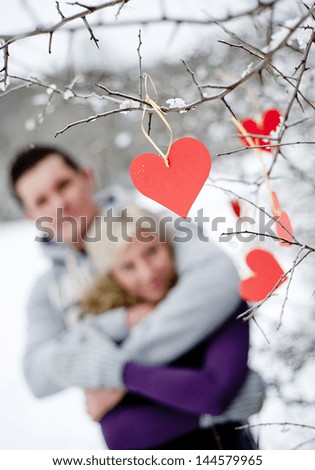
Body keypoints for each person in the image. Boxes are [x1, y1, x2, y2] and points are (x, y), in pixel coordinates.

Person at [9, 145, 263, 431]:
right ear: (31, 216)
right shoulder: (47, 292)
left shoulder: (151, 227)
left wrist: (113, 372)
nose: (59, 205)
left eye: (63, 185)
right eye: (42, 200)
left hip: (223, 438)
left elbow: (217, 280)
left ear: (87, 177)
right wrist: (120, 323)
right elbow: (37, 375)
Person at [74, 205, 263, 449]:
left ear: (168, 244)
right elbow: (121, 434)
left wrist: (123, 373)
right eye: (128, 267)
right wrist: (225, 401)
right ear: (112, 278)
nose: (147, 272)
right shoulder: (108, 327)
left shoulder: (215, 301)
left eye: (151, 251)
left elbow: (215, 395)